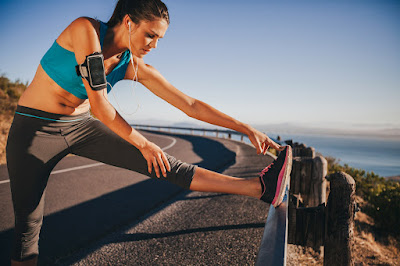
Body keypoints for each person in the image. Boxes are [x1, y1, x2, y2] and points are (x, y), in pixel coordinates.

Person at [6, 0, 292, 265]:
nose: (154, 45)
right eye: (150, 35)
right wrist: (144, 143)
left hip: (79, 126)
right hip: (33, 130)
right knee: (28, 227)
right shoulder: (85, 30)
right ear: (129, 22)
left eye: (159, 39)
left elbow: (190, 105)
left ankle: (260, 189)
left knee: (165, 164)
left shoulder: (131, 64)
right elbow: (100, 107)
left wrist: (245, 128)